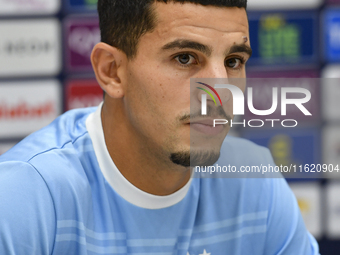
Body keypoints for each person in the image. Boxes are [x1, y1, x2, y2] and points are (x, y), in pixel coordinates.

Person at [0, 0, 319, 254]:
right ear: (112, 71)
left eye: (233, 61)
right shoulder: (25, 196)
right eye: (185, 58)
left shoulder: (254, 180)